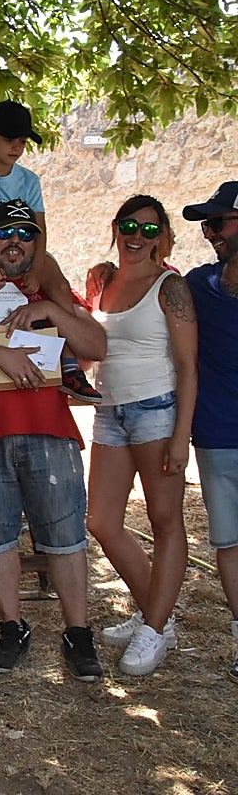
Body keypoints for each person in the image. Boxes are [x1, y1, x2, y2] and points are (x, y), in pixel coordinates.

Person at [0, 200, 106, 680]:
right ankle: (12, 626)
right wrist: (7, 360)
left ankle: (78, 632)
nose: (15, 241)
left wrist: (51, 308)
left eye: (25, 232)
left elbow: (95, 347)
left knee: (66, 538)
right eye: (4, 232)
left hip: (48, 429)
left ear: (37, 240)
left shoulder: (50, 282)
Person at [88, 195, 197, 676]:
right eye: (130, 226)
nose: (137, 236)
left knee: (165, 521)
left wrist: (181, 436)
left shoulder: (169, 286)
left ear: (162, 237)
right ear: (115, 227)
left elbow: (188, 366)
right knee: (102, 521)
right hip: (111, 410)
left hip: (156, 409)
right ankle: (159, 617)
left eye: (150, 230)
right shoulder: (104, 281)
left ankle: (154, 628)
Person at [0, 100, 100, 403]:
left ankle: (69, 364)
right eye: (9, 139)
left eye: (21, 141)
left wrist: (39, 269)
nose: (16, 146)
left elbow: (40, 229)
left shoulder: (30, 180)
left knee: (59, 284)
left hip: (26, 248)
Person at [182, 182, 238, 681]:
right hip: (217, 434)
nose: (209, 232)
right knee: (228, 542)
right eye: (206, 224)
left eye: (218, 223)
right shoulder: (199, 285)